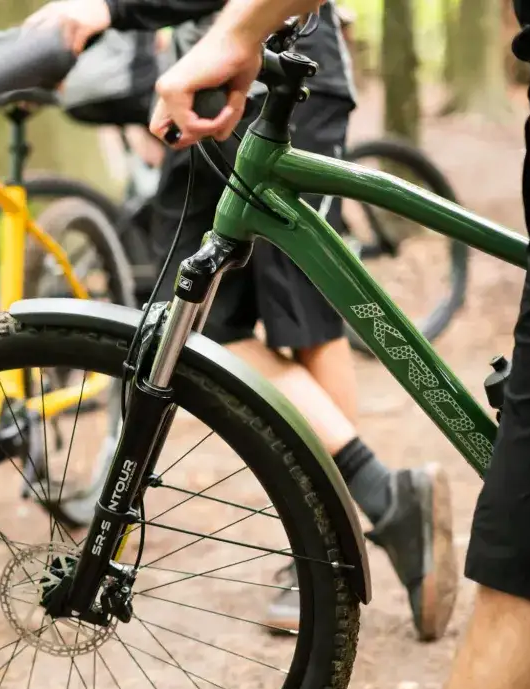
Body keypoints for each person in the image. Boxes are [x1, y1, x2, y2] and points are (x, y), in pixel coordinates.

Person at [49, 0, 530, 689]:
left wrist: (164, 18)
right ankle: (378, 505)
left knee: (290, 327)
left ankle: (371, 504)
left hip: (287, 68)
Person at [25, 0, 458, 640]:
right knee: (192, 322)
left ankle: (328, 551)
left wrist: (113, 9)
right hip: (211, 86)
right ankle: (381, 501)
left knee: (305, 318)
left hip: (288, 77)